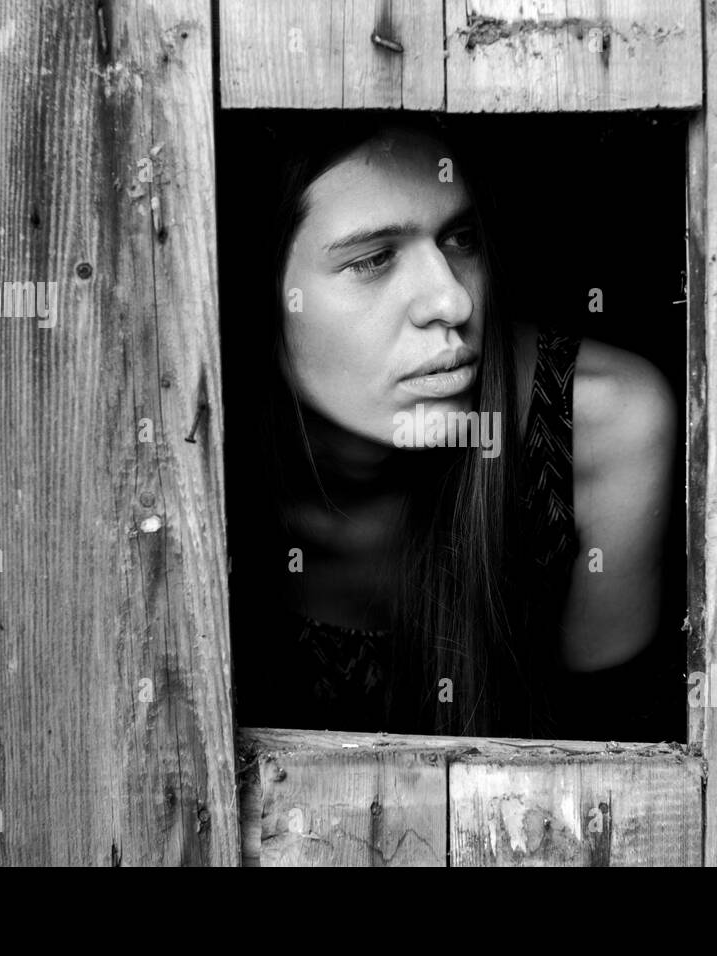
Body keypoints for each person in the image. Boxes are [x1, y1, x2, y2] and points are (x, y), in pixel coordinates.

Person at [229, 114, 676, 739]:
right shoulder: (189, 458)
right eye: (373, 259)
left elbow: (612, 761)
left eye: (459, 238)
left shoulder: (599, 423)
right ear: (257, 294)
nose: (453, 301)